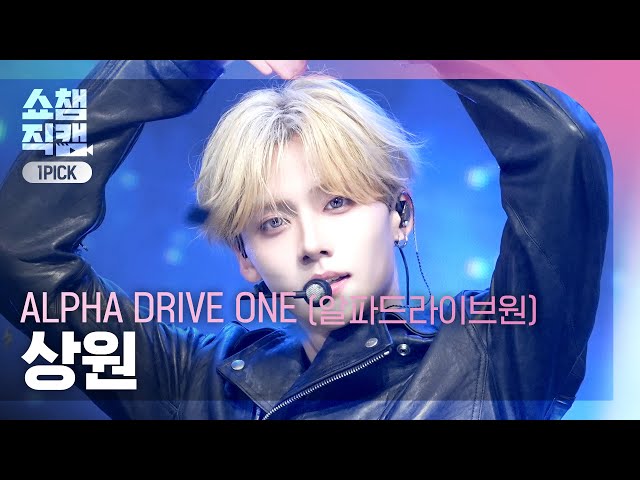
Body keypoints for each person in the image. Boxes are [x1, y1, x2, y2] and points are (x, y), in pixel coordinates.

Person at [0, 60, 609, 420]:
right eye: (272, 222)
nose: (311, 242)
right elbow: (18, 247)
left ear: (401, 214)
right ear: (245, 258)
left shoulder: (497, 356)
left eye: (337, 202)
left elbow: (562, 146)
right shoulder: (193, 383)